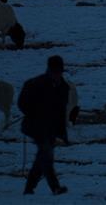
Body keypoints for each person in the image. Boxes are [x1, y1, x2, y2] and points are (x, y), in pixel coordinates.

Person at [18, 55, 70, 195]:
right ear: (49, 70)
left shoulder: (63, 88)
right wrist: (34, 113)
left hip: (51, 129)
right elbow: (22, 104)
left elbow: (61, 112)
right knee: (46, 154)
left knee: (43, 157)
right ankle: (55, 187)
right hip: (36, 127)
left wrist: (62, 132)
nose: (57, 75)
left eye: (59, 72)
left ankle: (29, 188)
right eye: (55, 72)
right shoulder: (35, 84)